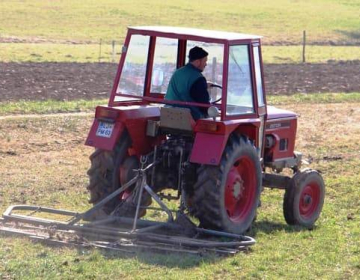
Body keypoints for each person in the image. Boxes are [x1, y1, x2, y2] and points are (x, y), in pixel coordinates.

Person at [165, 46, 211, 120]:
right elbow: (203, 104)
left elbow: (183, 88)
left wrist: (204, 86)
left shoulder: (178, 72)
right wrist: (212, 110)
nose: (206, 64)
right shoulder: (198, 78)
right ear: (197, 62)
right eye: (205, 61)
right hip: (189, 118)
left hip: (168, 115)